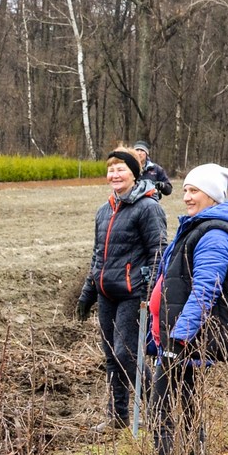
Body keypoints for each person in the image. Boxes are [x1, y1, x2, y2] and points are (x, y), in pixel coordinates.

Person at [144, 162, 228, 455]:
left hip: (187, 347)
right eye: (185, 189)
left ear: (213, 195)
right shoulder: (199, 227)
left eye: (194, 190)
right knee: (177, 416)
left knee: (170, 417)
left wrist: (178, 339)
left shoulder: (215, 234)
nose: (186, 196)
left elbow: (205, 290)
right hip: (176, 344)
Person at [76, 147, 166, 429]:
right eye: (111, 169)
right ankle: (117, 417)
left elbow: (158, 251)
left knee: (125, 353)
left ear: (134, 173)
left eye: (121, 169)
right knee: (111, 356)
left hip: (133, 295)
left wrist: (150, 292)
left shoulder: (148, 207)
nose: (114, 174)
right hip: (106, 294)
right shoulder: (104, 211)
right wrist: (87, 293)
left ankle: (159, 407)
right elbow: (97, 255)